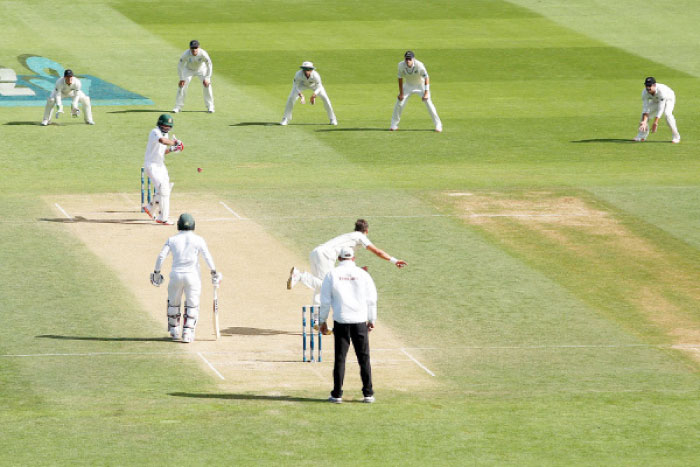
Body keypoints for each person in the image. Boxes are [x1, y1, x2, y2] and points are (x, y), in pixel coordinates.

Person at [287, 219, 406, 305]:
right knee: (328, 286)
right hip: (325, 255)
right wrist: (394, 260)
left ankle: (316, 321)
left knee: (321, 287)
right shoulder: (360, 237)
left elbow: (344, 262)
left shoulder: (350, 237)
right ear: (367, 231)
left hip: (316, 252)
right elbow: (377, 251)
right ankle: (300, 276)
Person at [150, 213, 222, 343]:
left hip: (176, 275)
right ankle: (187, 333)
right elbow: (207, 257)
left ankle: (174, 331)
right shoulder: (199, 240)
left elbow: (161, 256)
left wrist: (156, 272)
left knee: (173, 303)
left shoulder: (172, 239)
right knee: (192, 305)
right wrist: (214, 272)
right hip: (193, 277)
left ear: (178, 225)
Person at [319, 246, 377, 403]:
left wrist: (322, 321)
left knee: (340, 359)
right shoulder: (363, 274)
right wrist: (372, 319)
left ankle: (337, 394)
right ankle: (368, 394)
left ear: (339, 259)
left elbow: (325, 300)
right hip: (359, 321)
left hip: (341, 321)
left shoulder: (332, 274)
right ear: (353, 258)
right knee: (364, 358)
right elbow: (371, 299)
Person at [143, 114, 184, 225]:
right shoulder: (155, 132)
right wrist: (175, 142)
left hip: (160, 165)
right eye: (164, 126)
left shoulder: (165, 135)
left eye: (168, 126)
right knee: (164, 189)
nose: (166, 128)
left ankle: (150, 207)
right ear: (160, 124)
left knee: (166, 187)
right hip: (152, 165)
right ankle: (163, 218)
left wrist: (173, 148)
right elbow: (162, 141)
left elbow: (163, 151)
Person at [390, 51, 442, 132]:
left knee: (428, 103)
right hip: (408, 85)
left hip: (420, 85)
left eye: (409, 59)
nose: (408, 61)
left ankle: (438, 125)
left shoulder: (419, 65)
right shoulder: (400, 65)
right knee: (399, 103)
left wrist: (426, 93)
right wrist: (401, 93)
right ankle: (393, 125)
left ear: (413, 59)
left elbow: (426, 77)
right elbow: (400, 78)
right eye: (406, 59)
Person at [280, 61, 337, 126]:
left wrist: (313, 96)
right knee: (291, 98)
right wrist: (301, 96)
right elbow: (295, 86)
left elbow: (319, 87)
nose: (306, 71)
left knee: (326, 99)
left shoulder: (316, 75)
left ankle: (332, 118)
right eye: (305, 69)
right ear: (303, 69)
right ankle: (285, 118)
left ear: (311, 69)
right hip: (301, 85)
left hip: (314, 86)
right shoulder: (298, 74)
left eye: (308, 69)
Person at [173, 40, 214, 113]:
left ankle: (210, 107)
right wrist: (181, 78)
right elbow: (180, 66)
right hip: (188, 70)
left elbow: (209, 65)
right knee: (182, 86)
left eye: (196, 47)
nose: (194, 50)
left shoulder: (203, 53)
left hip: (201, 70)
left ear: (199, 47)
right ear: (190, 48)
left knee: (207, 85)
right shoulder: (185, 54)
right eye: (192, 48)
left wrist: (207, 77)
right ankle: (177, 107)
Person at [635, 77, 680, 143]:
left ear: (654, 85)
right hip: (656, 99)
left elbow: (661, 108)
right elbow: (645, 108)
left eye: (649, 86)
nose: (648, 88)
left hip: (668, 98)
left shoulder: (662, 91)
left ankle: (676, 137)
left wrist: (655, 122)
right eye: (646, 85)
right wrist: (644, 122)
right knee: (643, 117)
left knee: (667, 114)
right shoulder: (644, 92)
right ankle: (641, 136)